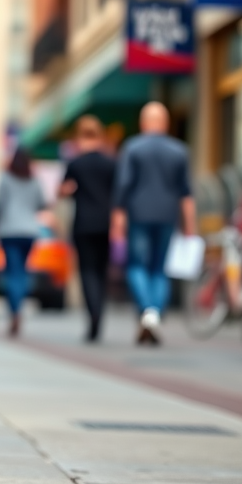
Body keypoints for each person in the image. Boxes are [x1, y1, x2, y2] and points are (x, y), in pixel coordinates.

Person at [111, 103, 195, 346]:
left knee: (137, 266)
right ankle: (154, 313)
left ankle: (148, 311)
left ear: (144, 122)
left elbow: (123, 186)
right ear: (165, 123)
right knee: (160, 269)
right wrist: (190, 225)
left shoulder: (132, 148)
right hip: (167, 215)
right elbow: (186, 193)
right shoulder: (179, 150)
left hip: (139, 214)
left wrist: (118, 218)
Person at [60, 116, 116, 343]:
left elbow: (62, 191)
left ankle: (92, 314)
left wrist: (71, 190)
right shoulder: (110, 163)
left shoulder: (75, 164)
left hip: (83, 223)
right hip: (105, 223)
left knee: (87, 272)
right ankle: (99, 316)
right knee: (101, 272)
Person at [0, 148, 45, 337]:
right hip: (29, 230)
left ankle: (15, 310)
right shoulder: (34, 179)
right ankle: (19, 305)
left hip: (8, 230)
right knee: (22, 271)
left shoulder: (5, 178)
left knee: (12, 272)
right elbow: (42, 203)